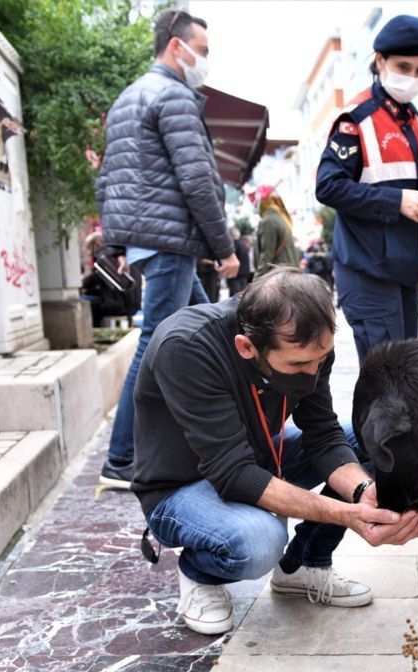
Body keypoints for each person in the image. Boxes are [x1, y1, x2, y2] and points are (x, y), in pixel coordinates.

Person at [132, 267, 418, 635]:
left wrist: (364, 493)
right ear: (247, 347)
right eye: (299, 364)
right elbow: (234, 473)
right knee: (260, 541)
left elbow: (323, 436)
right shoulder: (186, 346)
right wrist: (346, 515)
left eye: (320, 360)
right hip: (179, 488)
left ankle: (303, 564)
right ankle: (198, 574)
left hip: (255, 458)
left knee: (377, 440)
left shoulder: (310, 345)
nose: (312, 372)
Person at [95, 9, 240, 489]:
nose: (205, 59)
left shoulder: (127, 98)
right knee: (155, 342)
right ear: (177, 46)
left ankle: (221, 437)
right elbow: (198, 181)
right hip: (170, 241)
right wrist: (224, 248)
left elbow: (109, 180)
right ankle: (121, 458)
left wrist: (118, 242)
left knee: (213, 330)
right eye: (203, 48)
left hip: (149, 241)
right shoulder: (174, 96)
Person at [315, 14, 418, 507]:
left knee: (407, 376)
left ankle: (404, 468)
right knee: (387, 383)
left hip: (403, 273)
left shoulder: (413, 120)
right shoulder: (355, 121)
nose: (412, 77)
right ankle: (385, 478)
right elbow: (328, 186)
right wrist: (396, 204)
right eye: (403, 66)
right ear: (379, 63)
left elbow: (415, 179)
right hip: (367, 274)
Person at [252, 186, 301, 279]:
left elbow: (266, 255)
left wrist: (256, 281)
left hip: (279, 278)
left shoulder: (269, 221)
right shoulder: (281, 219)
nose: (255, 205)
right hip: (289, 275)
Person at [227, 226, 252, 295]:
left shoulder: (234, 245)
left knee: (235, 299)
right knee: (242, 297)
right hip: (244, 275)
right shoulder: (243, 245)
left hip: (236, 276)